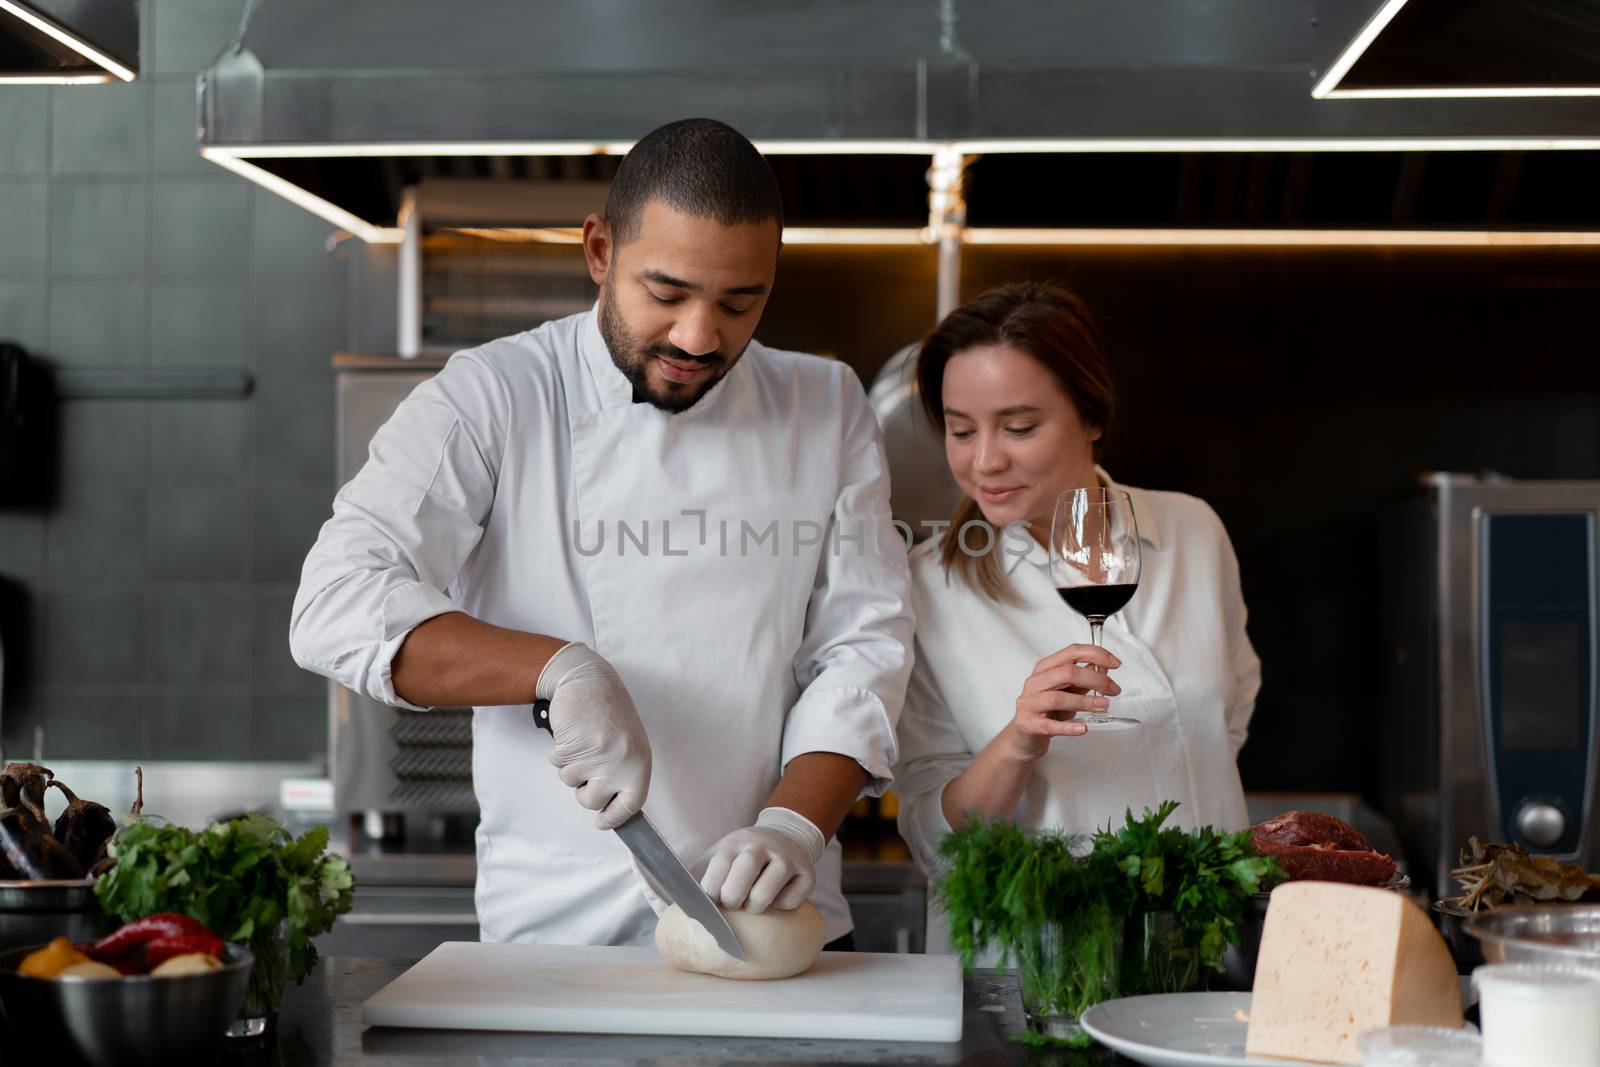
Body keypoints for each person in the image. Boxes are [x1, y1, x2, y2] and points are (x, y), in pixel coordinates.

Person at [290, 118, 913, 949]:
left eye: (740, 303)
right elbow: (335, 600)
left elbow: (862, 648)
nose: (699, 337)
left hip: (772, 923)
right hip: (558, 936)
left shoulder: (826, 405)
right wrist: (558, 668)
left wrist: (796, 827)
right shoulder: (494, 397)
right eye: (667, 293)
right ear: (598, 252)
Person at [892, 283, 1259, 927]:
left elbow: (1225, 723)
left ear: (1092, 416)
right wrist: (1019, 743)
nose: (985, 461)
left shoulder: (1192, 531)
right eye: (960, 431)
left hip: (1201, 947)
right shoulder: (926, 588)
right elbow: (932, 840)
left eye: (1019, 427)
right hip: (1039, 958)